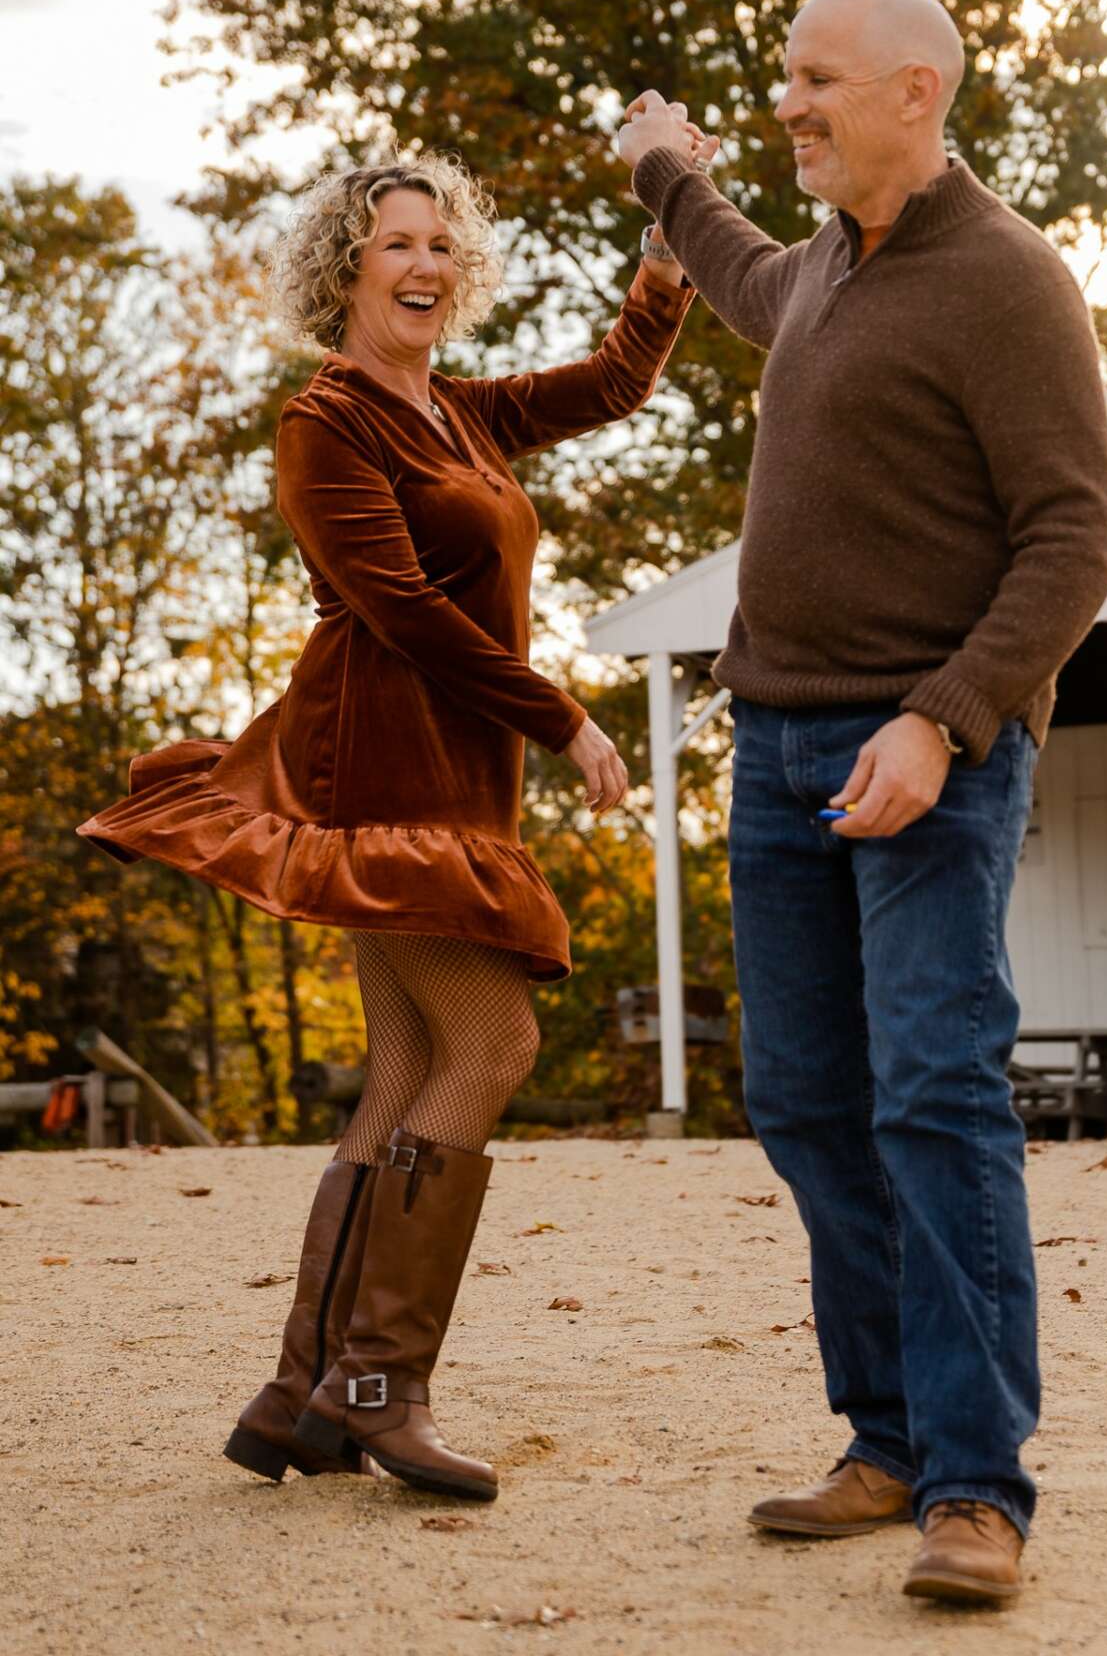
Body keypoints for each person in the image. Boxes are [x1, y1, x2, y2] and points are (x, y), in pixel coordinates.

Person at [78, 154, 693, 1500]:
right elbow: (405, 608)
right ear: (345, 270)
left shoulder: (459, 413)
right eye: (396, 244)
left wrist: (669, 239)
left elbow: (612, 384)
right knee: (496, 1041)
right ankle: (378, 1388)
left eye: (440, 245)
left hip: (458, 777)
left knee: (412, 1063)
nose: (424, 265)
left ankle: (302, 1391)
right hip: (381, 773)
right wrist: (567, 719)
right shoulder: (327, 422)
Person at [618, 0, 1107, 1605]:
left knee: (934, 1098)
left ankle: (977, 1488)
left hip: (926, 760)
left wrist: (945, 720)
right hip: (777, 754)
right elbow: (735, 265)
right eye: (783, 78)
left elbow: (1075, 538)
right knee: (809, 1103)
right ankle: (888, 1438)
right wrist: (662, 166)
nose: (790, 103)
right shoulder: (826, 268)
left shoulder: (1006, 279)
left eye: (818, 80)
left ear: (918, 92)